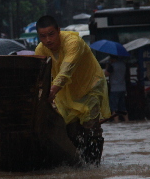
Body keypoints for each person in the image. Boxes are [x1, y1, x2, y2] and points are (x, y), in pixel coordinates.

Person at [35, 15, 110, 165]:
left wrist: (50, 93)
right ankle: (78, 162)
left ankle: (94, 166)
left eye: (51, 34)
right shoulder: (41, 50)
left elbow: (65, 71)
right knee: (68, 129)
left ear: (58, 31)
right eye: (43, 36)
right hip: (66, 93)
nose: (48, 40)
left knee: (90, 127)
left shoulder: (73, 43)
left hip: (90, 86)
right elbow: (39, 77)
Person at [104, 55, 128, 122]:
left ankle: (116, 121)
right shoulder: (123, 64)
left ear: (112, 59)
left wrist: (107, 66)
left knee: (114, 107)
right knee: (122, 106)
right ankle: (127, 120)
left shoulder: (112, 66)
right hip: (123, 88)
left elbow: (106, 74)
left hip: (114, 89)